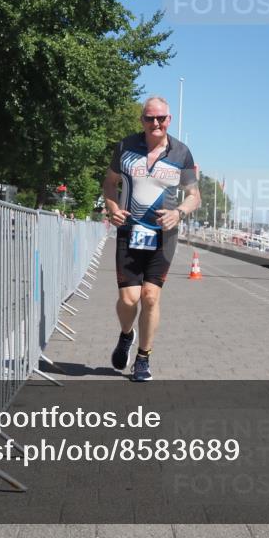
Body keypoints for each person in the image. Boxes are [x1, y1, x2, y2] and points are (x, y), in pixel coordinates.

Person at [101, 95, 200, 382]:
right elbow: (110, 183)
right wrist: (113, 209)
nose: (156, 123)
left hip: (164, 237)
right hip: (129, 232)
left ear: (169, 119)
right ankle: (126, 335)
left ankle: (143, 358)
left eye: (161, 118)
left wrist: (178, 213)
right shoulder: (125, 147)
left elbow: (195, 196)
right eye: (149, 118)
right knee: (129, 299)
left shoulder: (182, 153)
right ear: (142, 119)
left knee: (150, 297)